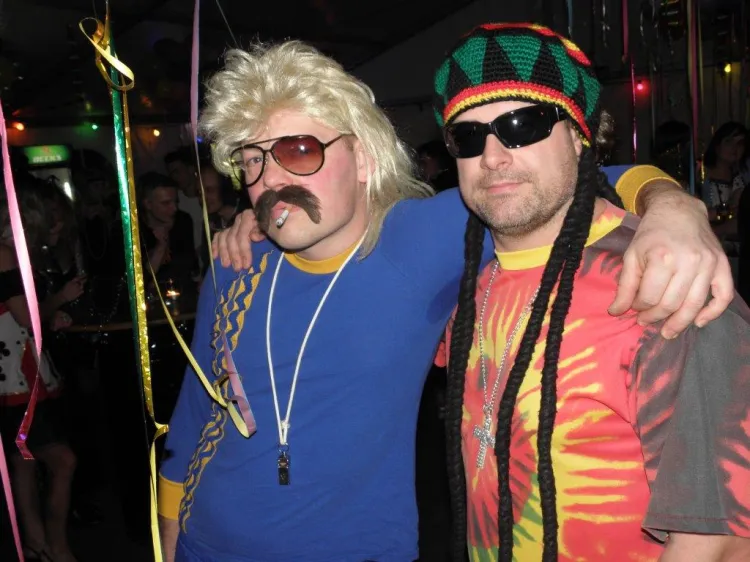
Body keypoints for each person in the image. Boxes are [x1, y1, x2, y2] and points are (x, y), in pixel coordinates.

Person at [160, 40, 732, 562]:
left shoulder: (420, 239)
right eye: (253, 159)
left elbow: (561, 179)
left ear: (363, 160)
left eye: (300, 150)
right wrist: (169, 541)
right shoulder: (235, 267)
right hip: (204, 542)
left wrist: (672, 206)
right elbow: (192, 425)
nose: (270, 180)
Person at [437, 23, 750, 562]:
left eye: (522, 124)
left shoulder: (665, 282)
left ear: (581, 137)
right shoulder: (470, 280)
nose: (492, 156)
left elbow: (719, 542)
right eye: (468, 136)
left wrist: (673, 201)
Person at [0, 175, 81, 562]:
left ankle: (38, 545)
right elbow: (23, 315)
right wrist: (58, 301)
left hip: (18, 369)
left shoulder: (10, 251)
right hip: (13, 372)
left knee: (25, 460)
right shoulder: (4, 252)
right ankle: (53, 546)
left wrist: (51, 315)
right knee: (59, 460)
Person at [138, 172, 198, 292]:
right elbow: (140, 281)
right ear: (148, 204)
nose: (174, 208)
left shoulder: (182, 220)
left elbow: (189, 266)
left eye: (176, 202)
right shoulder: (135, 230)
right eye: (166, 203)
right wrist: (161, 247)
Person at [165, 148, 204, 265]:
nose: (174, 177)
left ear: (191, 169)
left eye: (177, 171)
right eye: (171, 173)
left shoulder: (208, 197)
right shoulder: (174, 202)